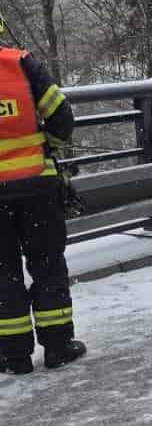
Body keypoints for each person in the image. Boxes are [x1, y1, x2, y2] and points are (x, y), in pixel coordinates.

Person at [0, 27, 86, 374]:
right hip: (37, 186)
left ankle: (13, 356)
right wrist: (45, 144)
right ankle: (58, 346)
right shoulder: (22, 65)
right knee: (48, 264)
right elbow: (62, 117)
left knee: (2, 272)